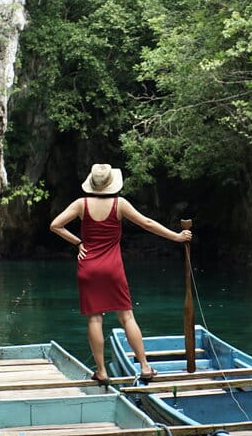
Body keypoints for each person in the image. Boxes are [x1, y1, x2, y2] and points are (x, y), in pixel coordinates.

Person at [49, 163, 193, 384]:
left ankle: (101, 371)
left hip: (88, 267)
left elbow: (55, 225)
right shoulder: (119, 204)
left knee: (95, 319)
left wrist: (79, 243)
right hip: (113, 268)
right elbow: (147, 223)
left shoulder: (81, 204)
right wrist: (176, 237)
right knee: (126, 317)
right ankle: (145, 367)